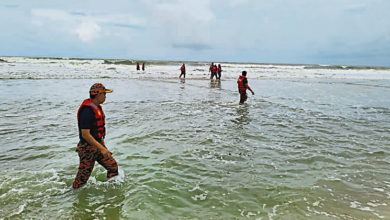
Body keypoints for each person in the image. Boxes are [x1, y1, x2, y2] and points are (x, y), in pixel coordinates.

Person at [72, 83, 118, 189]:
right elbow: (85, 134)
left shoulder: (96, 107)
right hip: (87, 149)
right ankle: (70, 197)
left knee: (113, 167)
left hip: (97, 145)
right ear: (98, 95)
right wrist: (102, 149)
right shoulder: (87, 111)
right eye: (104, 94)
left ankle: (111, 193)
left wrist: (101, 146)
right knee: (82, 180)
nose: (105, 96)